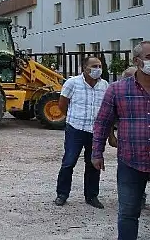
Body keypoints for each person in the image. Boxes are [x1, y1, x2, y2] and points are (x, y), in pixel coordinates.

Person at [92, 41, 150, 240]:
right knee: (128, 213)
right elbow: (102, 122)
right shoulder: (117, 90)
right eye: (149, 58)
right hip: (130, 162)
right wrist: (96, 153)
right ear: (137, 61)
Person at [54, 55, 108, 209]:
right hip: (75, 129)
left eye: (99, 66)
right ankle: (62, 194)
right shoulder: (72, 83)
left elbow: (106, 110)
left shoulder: (104, 85)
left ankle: (91, 196)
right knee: (69, 162)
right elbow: (62, 105)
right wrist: (73, 118)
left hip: (96, 132)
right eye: (94, 66)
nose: (98, 69)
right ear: (84, 68)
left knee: (94, 164)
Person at [106, 66, 147, 210]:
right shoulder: (118, 92)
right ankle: (138, 199)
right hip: (129, 153)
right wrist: (111, 136)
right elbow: (107, 119)